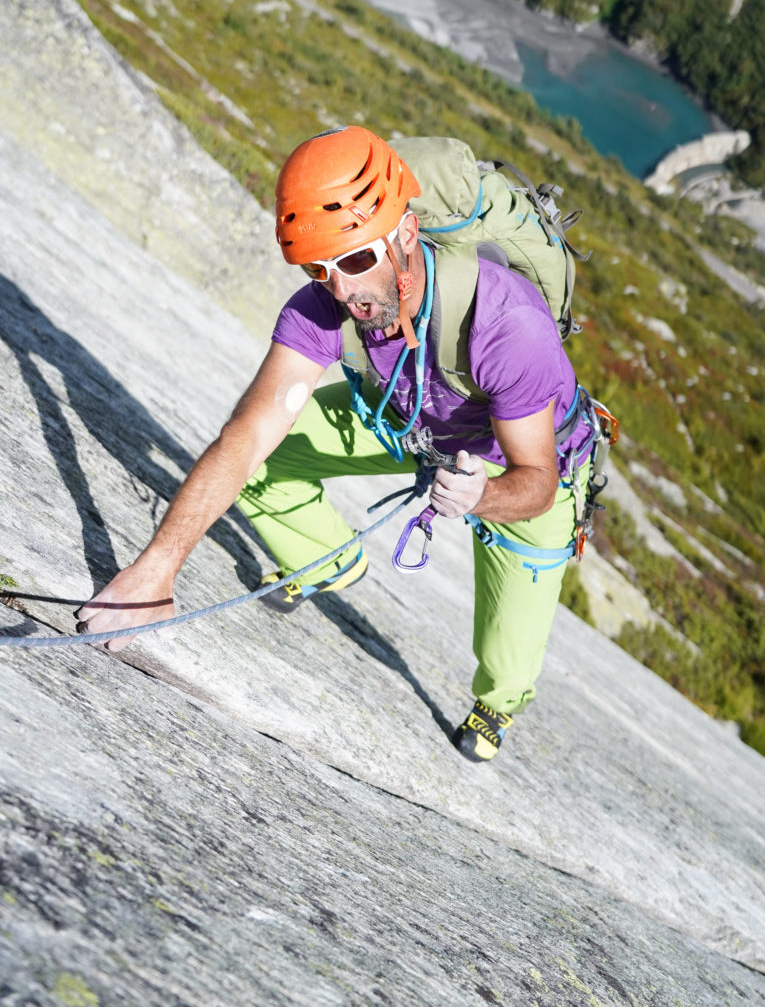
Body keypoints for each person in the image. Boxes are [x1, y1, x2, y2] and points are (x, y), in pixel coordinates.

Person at [78, 125, 596, 763]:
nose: (341, 289)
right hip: (404, 415)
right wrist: (156, 569)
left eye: (353, 261)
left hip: (516, 461)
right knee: (267, 464)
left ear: (407, 234)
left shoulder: (505, 321)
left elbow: (537, 480)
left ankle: (499, 703)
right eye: (318, 269)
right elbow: (245, 439)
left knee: (510, 640)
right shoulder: (325, 304)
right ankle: (327, 562)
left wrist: (481, 495)